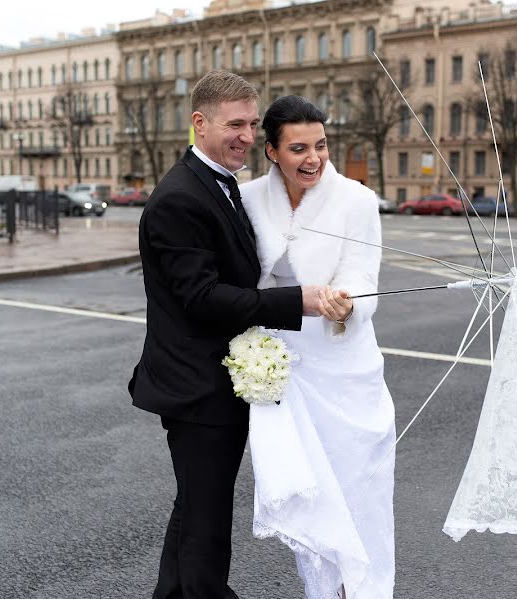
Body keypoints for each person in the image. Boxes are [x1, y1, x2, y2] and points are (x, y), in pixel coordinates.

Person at [128, 71, 325, 599]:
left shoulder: (219, 184)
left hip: (211, 380)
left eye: (251, 123)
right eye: (234, 124)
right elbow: (202, 298)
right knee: (207, 520)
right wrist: (296, 299)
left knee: (196, 504)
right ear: (200, 123)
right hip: (196, 386)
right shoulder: (179, 198)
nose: (245, 135)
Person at [240, 95, 396, 599]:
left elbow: (361, 274)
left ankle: (365, 591)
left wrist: (348, 305)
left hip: (344, 370)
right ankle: (322, 591)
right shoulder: (247, 200)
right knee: (310, 497)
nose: (314, 158)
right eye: (299, 148)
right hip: (283, 370)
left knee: (358, 492)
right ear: (272, 152)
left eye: (322, 145)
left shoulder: (356, 200)